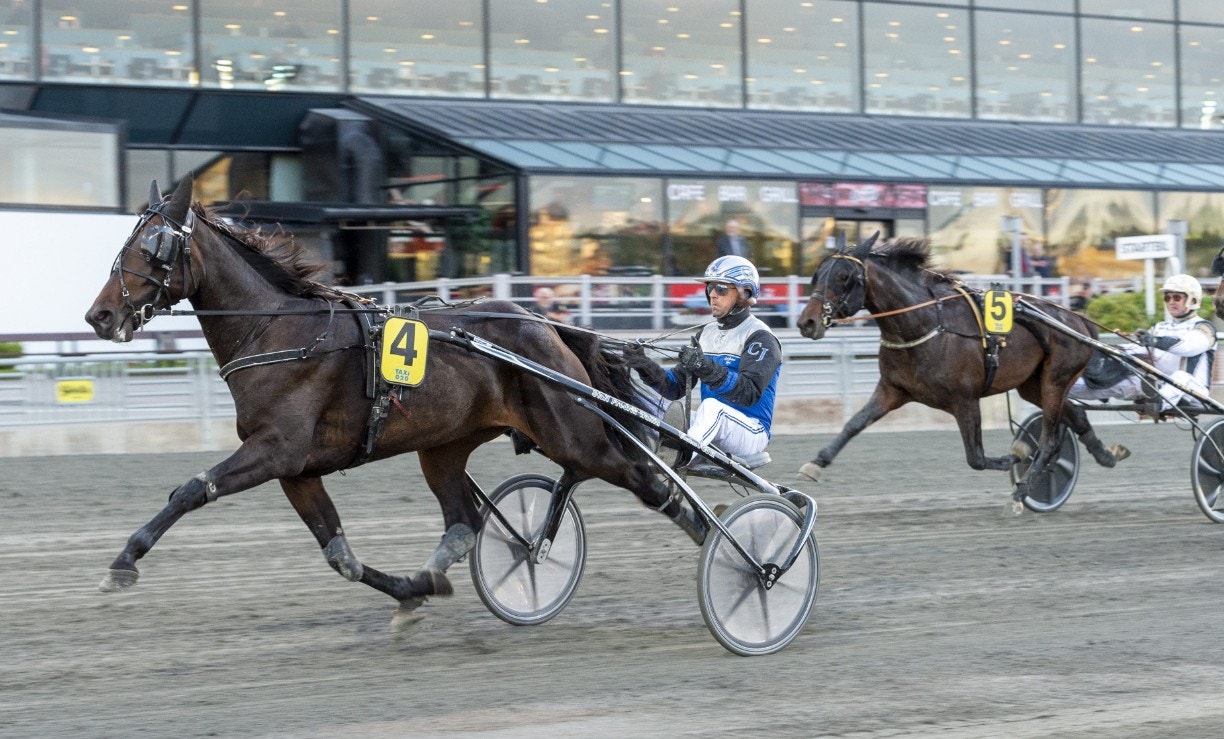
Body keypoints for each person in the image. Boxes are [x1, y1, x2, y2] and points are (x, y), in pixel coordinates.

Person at [622, 255, 782, 469]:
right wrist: (642, 363)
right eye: (710, 288)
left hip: (751, 433)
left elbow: (748, 393)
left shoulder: (761, 337)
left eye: (721, 289)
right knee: (642, 402)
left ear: (745, 293)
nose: (712, 294)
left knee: (712, 407)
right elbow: (674, 388)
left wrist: (705, 367)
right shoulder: (705, 333)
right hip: (711, 429)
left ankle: (680, 457)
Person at [1069, 274, 1216, 414]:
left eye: (1177, 297)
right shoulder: (1160, 327)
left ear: (1193, 300)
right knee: (1118, 381)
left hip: (1193, 392)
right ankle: (1062, 389)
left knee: (1180, 377)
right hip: (1158, 385)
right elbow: (1139, 349)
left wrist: (1153, 340)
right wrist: (1108, 350)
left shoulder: (1205, 327)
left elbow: (1188, 347)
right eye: (1167, 297)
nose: (1171, 301)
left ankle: (1156, 403)